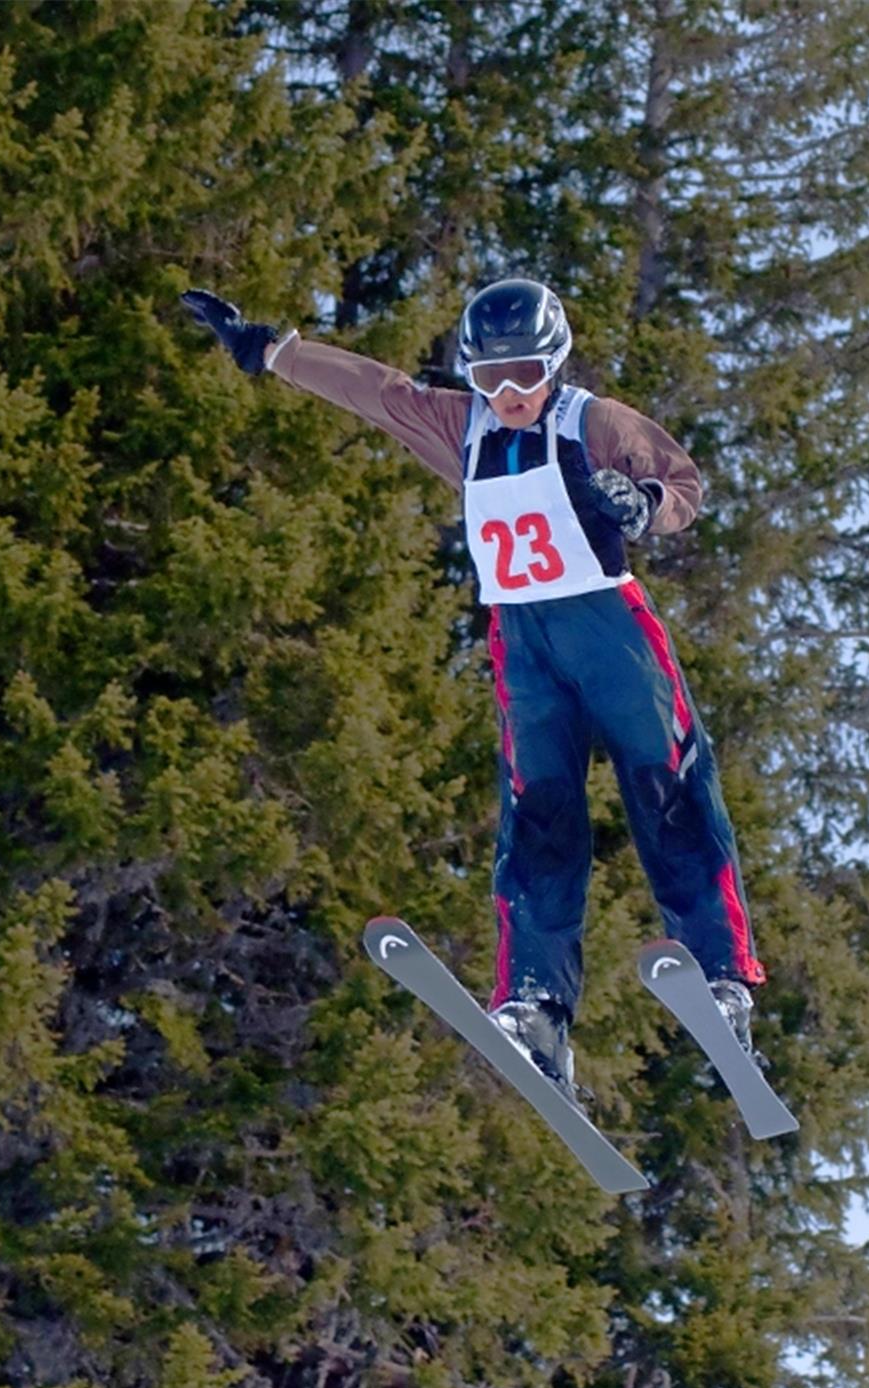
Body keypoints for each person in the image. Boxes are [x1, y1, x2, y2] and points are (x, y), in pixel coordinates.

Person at [181, 279, 766, 1097]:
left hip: (608, 628)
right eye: (491, 378)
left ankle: (720, 978)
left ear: (554, 365)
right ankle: (536, 1004)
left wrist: (642, 503)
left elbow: (683, 487)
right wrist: (270, 350)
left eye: (525, 374)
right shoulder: (462, 429)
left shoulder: (590, 421)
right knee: (537, 816)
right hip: (523, 642)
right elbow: (374, 392)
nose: (510, 395)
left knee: (665, 786)